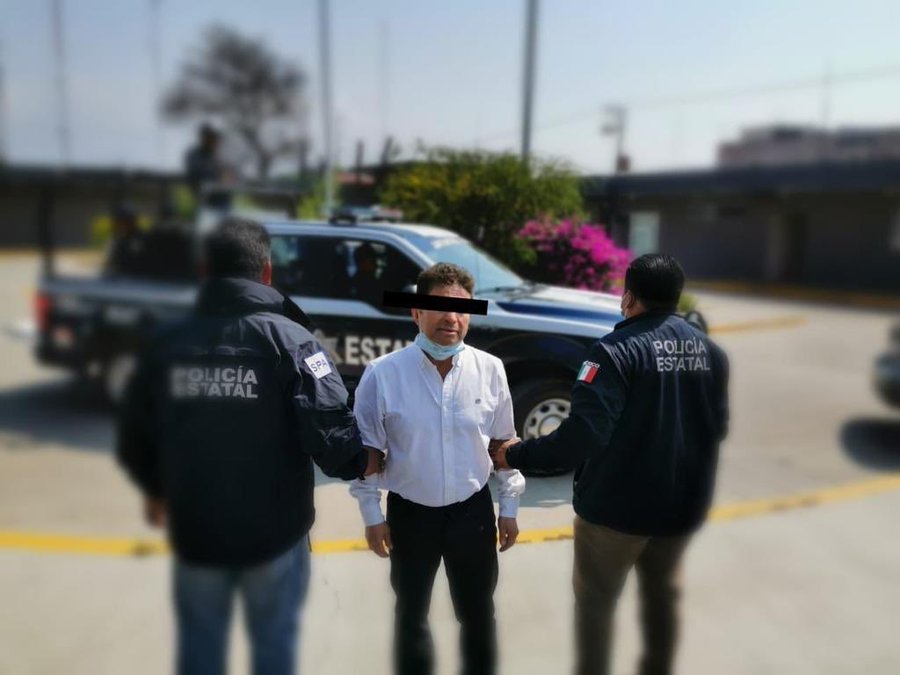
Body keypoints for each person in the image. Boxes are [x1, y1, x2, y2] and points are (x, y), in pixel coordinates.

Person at [117, 217, 380, 675]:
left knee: (200, 649)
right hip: (274, 535)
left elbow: (135, 432)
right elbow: (332, 436)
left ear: (204, 271)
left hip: (197, 532)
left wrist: (155, 488)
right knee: (274, 645)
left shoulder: (165, 341)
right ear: (267, 272)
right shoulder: (293, 341)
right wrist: (366, 459)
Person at [491, 254, 729, 675]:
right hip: (682, 508)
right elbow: (717, 428)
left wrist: (514, 454)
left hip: (617, 513)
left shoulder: (614, 352)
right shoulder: (711, 351)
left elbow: (580, 437)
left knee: (596, 603)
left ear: (629, 298)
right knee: (662, 596)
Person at [349, 262, 526, 675]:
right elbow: (367, 452)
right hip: (411, 515)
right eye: (441, 308)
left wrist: (509, 508)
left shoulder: (490, 369)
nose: (452, 318)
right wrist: (372, 515)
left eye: (462, 309)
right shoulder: (383, 374)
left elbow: (504, 444)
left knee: (478, 612)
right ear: (416, 313)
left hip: (472, 512)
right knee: (411, 613)